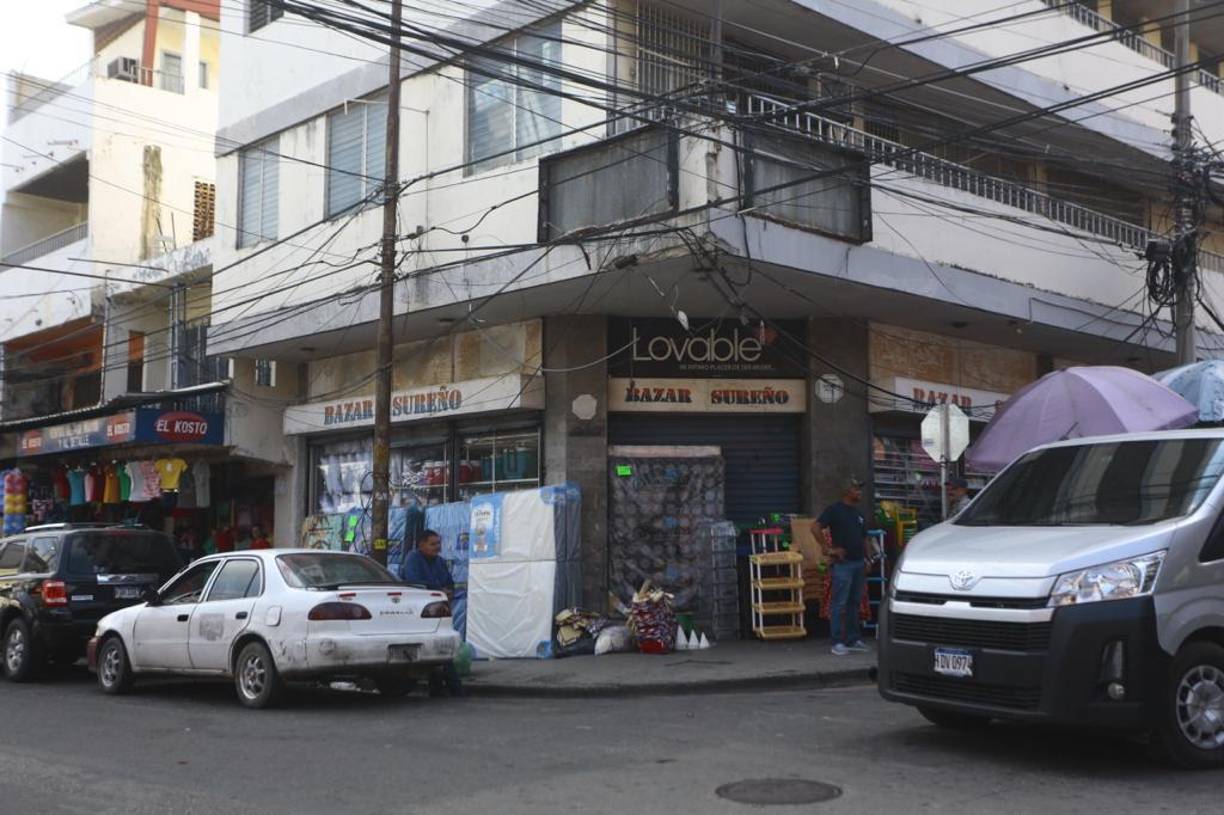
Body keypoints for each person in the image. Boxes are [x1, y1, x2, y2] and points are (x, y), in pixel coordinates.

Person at [401, 530, 462, 697]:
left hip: (438, 611)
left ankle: (438, 688)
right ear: (421, 545)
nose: (437, 547)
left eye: (438, 543)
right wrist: (439, 591)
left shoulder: (440, 562)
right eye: (433, 544)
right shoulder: (413, 559)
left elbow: (449, 582)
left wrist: (449, 592)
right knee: (436, 648)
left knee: (441, 646)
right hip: (418, 613)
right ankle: (456, 689)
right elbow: (415, 583)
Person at [814, 476, 870, 657]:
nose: (859, 492)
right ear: (847, 491)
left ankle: (852, 639)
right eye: (856, 489)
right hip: (843, 564)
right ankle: (837, 641)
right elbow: (815, 527)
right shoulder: (835, 510)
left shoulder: (858, 513)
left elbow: (864, 538)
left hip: (858, 563)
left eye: (860, 489)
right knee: (839, 603)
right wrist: (827, 549)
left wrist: (868, 559)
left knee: (854, 602)